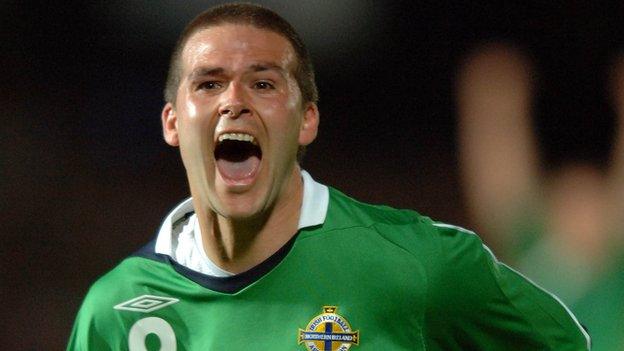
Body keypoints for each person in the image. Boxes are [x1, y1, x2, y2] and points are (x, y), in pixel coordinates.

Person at [67, 4, 590, 350]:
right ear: (173, 124)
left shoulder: (416, 263)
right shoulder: (115, 309)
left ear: (307, 120)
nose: (234, 102)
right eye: (208, 83)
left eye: (264, 84)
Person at [456, 43, 624, 350]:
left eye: (592, 196)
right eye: (570, 197)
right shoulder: (536, 256)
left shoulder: (616, 271)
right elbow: (503, 188)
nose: (582, 205)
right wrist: (493, 110)